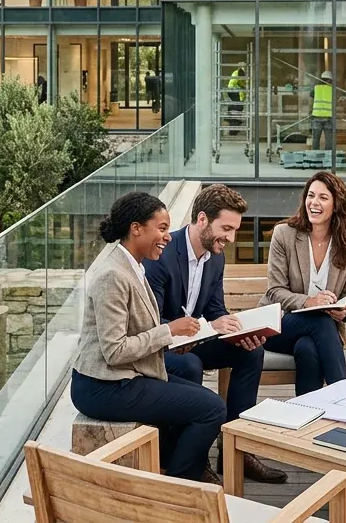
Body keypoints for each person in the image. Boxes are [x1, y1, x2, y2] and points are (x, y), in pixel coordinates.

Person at [71, 192, 227, 483]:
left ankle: (171, 468)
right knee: (212, 409)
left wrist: (174, 339)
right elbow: (114, 351)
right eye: (162, 228)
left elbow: (137, 333)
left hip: (125, 376)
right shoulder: (112, 275)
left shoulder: (134, 267)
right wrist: (169, 331)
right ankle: (179, 486)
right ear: (136, 228)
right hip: (103, 386)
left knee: (200, 393)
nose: (167, 237)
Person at [145, 185, 287, 485]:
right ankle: (191, 459)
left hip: (194, 340)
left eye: (235, 230)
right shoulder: (162, 253)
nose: (232, 238)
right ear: (201, 220)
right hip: (162, 347)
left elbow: (215, 309)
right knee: (190, 366)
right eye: (226, 228)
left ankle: (236, 449)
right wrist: (211, 327)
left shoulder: (216, 257)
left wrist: (239, 330)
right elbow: (153, 321)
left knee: (252, 351)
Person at [261, 172, 346, 395]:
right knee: (320, 322)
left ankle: (307, 413)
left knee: (307, 349)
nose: (314, 203)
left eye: (323, 198)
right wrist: (310, 302)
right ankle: (345, 398)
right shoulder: (284, 234)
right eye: (311, 195)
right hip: (279, 325)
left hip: (317, 334)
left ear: (336, 204)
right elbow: (275, 291)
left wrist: (344, 311)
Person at [310, 71, 334, 152]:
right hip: (328, 117)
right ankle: (328, 157)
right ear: (330, 80)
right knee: (329, 139)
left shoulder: (316, 88)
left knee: (316, 138)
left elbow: (311, 97)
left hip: (317, 117)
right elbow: (343, 94)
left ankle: (315, 155)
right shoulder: (332, 89)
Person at [226, 62, 246, 128]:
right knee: (237, 109)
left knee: (238, 109)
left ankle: (235, 124)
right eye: (244, 67)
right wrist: (240, 87)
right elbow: (232, 85)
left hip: (238, 95)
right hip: (235, 93)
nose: (245, 68)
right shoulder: (237, 73)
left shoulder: (241, 73)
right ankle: (233, 123)